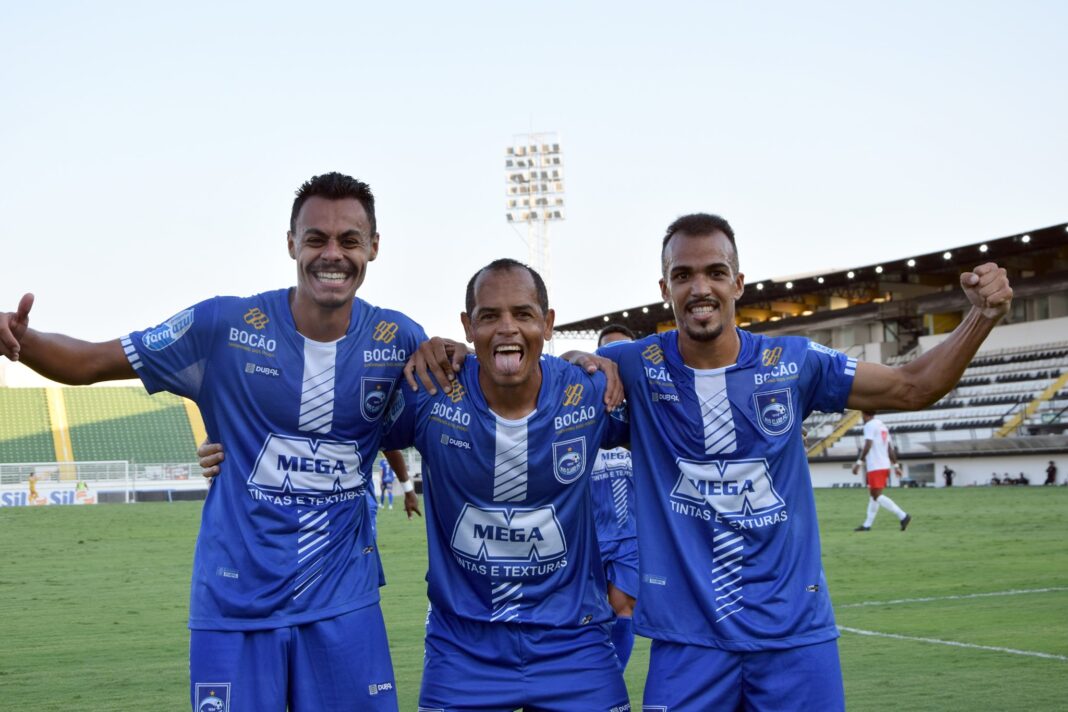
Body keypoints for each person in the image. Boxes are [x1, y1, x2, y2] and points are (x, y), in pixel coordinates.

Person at [402, 212, 1013, 711]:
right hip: (686, 645)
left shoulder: (794, 363)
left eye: (715, 272)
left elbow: (912, 387)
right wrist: (455, 354)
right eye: (684, 274)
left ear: (738, 283)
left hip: (793, 637)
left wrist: (979, 319)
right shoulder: (634, 368)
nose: (700, 288)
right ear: (663, 287)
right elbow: (527, 384)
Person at [0, 172, 426, 711]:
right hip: (235, 604)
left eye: (349, 240)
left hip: (344, 605)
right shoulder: (224, 325)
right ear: (291, 243)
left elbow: (471, 420)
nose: (332, 254)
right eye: (316, 238)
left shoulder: (399, 339)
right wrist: (20, 339)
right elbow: (88, 362)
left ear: (373, 248)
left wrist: (560, 369)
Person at [383, 259, 630, 710]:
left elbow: (674, 432)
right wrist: (229, 449)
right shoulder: (431, 394)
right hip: (463, 649)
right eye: (489, 316)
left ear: (548, 323)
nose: (507, 328)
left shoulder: (589, 392)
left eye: (523, 314)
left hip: (573, 643)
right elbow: (340, 432)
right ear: (467, 326)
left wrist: (598, 363)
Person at [591, 323, 640, 669]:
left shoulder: (648, 405)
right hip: (588, 533)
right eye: (609, 352)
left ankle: (611, 682)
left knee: (623, 608)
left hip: (629, 533)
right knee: (589, 615)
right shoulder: (582, 399)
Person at [852, 411, 911, 531]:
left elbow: (868, 445)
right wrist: (896, 466)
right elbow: (889, 448)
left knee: (876, 495)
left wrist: (859, 463)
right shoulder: (882, 425)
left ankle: (903, 515)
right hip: (884, 465)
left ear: (865, 414)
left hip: (875, 465)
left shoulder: (869, 425)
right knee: (873, 496)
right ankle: (867, 525)